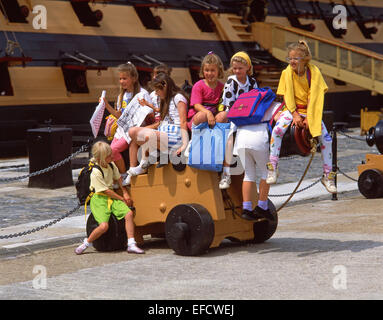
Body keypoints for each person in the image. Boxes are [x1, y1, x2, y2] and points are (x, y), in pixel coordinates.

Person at [266, 40, 336, 194]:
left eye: (296, 58)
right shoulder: (287, 73)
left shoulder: (314, 72)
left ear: (304, 59)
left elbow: (315, 97)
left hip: (310, 111)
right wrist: (295, 114)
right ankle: (273, 166)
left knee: (326, 139)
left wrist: (309, 118)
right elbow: (288, 96)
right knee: (277, 131)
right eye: (290, 58)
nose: (292, 61)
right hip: (292, 110)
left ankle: (327, 175)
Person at [74, 141, 144, 255]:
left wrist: (125, 192)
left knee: (129, 214)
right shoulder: (96, 172)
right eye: (109, 156)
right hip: (99, 199)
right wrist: (121, 199)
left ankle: (131, 243)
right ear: (101, 158)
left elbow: (118, 179)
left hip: (110, 197)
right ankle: (86, 243)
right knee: (104, 226)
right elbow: (105, 191)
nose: (112, 156)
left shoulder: (111, 165)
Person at [127, 73, 189, 178]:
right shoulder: (164, 99)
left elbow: (183, 121)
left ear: (165, 86)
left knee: (148, 136)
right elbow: (160, 115)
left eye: (157, 90)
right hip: (163, 132)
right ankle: (159, 154)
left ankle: (144, 164)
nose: (156, 93)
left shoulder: (178, 97)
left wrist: (184, 144)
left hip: (175, 135)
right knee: (132, 132)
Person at [219, 51, 258, 190]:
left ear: (247, 67)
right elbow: (229, 103)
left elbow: (255, 100)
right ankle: (226, 173)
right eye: (234, 68)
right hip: (234, 113)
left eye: (240, 68)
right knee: (231, 137)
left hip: (248, 114)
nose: (237, 71)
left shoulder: (252, 82)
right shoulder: (231, 81)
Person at [108, 63, 154, 178]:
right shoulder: (121, 96)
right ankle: (118, 176)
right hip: (122, 130)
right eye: (120, 78)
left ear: (134, 78)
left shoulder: (142, 94)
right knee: (109, 152)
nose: (121, 81)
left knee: (113, 150)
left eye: (124, 78)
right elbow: (119, 115)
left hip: (135, 130)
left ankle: (123, 174)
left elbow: (150, 116)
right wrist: (106, 105)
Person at [187, 51, 226, 130]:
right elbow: (196, 105)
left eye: (212, 70)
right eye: (207, 70)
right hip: (198, 117)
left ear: (219, 71)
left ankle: (218, 139)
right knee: (202, 115)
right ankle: (197, 139)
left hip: (214, 116)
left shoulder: (222, 87)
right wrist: (208, 113)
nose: (209, 73)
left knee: (224, 115)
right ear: (202, 71)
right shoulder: (198, 85)